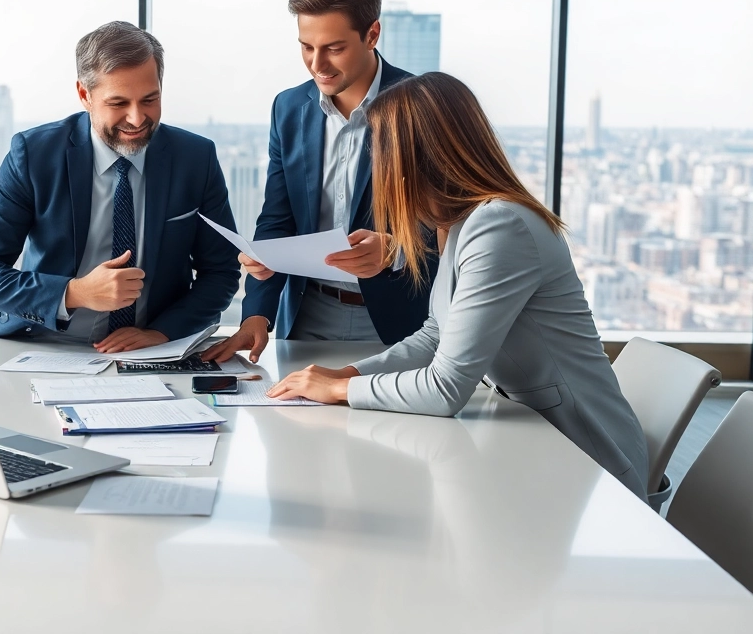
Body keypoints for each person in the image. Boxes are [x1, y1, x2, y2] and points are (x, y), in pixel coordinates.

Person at [266, 72, 650, 499]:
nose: (379, 170)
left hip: (586, 462)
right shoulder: (457, 222)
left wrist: (339, 389)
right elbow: (436, 335)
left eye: (382, 154)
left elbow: (445, 388)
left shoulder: (499, 225)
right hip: (531, 444)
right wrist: (349, 373)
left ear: (415, 159)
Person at [0, 21, 240, 353]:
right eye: (118, 103)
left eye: (149, 100)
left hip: (149, 350)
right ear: (85, 95)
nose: (137, 118)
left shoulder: (195, 158)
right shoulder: (34, 155)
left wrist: (162, 333)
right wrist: (75, 293)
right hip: (40, 344)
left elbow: (221, 271)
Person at [202, 0, 435, 366]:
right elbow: (278, 218)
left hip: (403, 321)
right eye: (306, 46)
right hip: (307, 317)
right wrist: (257, 314)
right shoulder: (289, 108)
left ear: (372, 35)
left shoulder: (422, 105)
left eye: (334, 48)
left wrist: (397, 250)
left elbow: (456, 223)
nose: (317, 64)